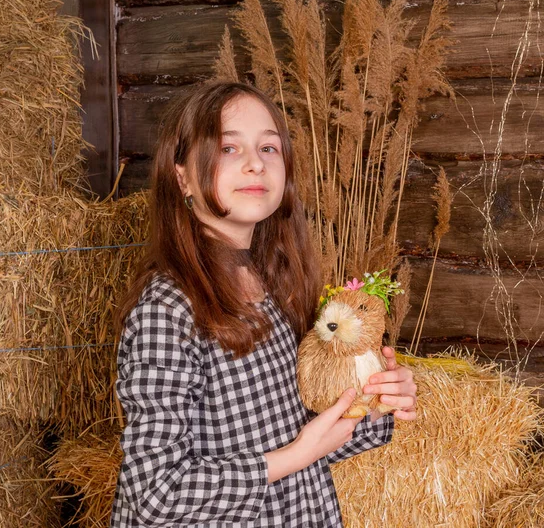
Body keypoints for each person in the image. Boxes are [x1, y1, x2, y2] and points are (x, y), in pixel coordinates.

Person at [110, 81, 417, 527]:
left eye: (269, 148)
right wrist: (294, 456)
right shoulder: (169, 309)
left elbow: (301, 441)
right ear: (183, 177)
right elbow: (155, 493)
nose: (255, 163)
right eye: (229, 149)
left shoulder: (275, 288)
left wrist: (374, 403)